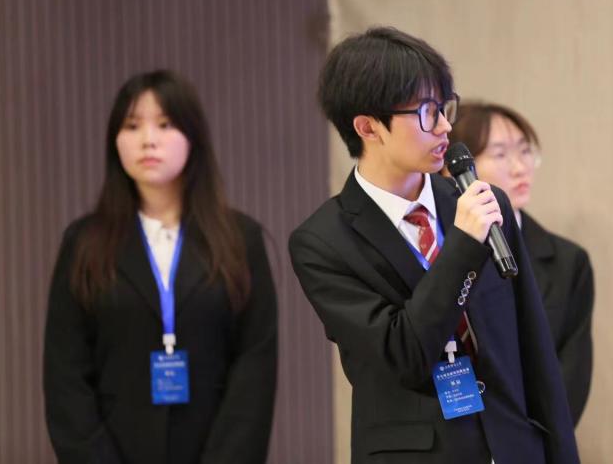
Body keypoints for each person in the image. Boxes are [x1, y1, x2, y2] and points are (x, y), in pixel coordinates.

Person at [289, 27, 579, 464]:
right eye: (426, 112)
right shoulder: (322, 242)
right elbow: (404, 354)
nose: (445, 126)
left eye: (445, 107)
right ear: (368, 127)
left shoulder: (482, 201)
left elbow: (536, 353)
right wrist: (462, 246)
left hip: (513, 446)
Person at [43, 70, 278, 464]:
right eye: (132, 126)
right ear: (115, 140)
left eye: (165, 124)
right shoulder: (83, 242)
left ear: (193, 136)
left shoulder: (241, 240)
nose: (148, 140)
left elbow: (254, 369)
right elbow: (65, 375)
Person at [450, 102, 594, 425]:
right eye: (500, 154)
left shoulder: (568, 261)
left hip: (533, 435)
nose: (520, 168)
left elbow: (571, 375)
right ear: (457, 170)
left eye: (525, 151)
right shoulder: (434, 249)